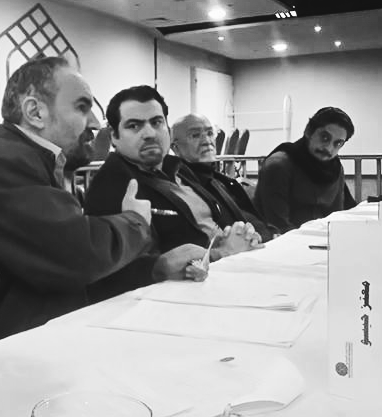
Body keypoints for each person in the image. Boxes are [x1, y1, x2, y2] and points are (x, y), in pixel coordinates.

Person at [0, 57, 205, 344]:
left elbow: (65, 263)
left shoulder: (24, 156)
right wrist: (135, 222)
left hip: (31, 334)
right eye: (82, 107)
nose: (95, 122)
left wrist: (156, 267)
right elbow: (78, 255)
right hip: (8, 353)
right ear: (35, 112)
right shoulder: (1, 163)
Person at [84, 86, 260, 294]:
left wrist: (239, 234)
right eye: (134, 126)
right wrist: (221, 253)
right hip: (181, 299)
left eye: (156, 122)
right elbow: (119, 273)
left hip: (231, 276)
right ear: (114, 137)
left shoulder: (179, 169)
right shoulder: (113, 186)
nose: (149, 133)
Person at [171, 113, 278, 242]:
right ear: (176, 148)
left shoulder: (221, 181)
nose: (207, 141)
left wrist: (272, 233)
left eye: (210, 133)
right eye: (195, 135)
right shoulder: (182, 187)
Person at [254, 106, 357, 233]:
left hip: (324, 242)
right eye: (325, 137)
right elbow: (278, 226)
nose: (329, 149)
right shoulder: (279, 166)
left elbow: (338, 216)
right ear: (308, 132)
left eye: (338, 143)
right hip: (285, 244)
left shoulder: (335, 169)